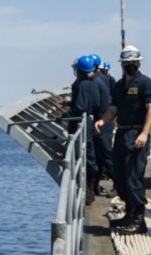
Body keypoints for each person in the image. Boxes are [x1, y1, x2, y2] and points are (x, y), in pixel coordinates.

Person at [94, 45, 151, 235]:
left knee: (133, 177)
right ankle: (130, 213)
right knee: (120, 176)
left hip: (136, 133)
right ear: (122, 64)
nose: (130, 65)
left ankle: (139, 220)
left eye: (133, 62)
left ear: (139, 63)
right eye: (126, 62)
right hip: (121, 133)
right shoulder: (120, 86)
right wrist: (101, 121)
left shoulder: (146, 83)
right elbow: (113, 109)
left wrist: (144, 134)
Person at [58, 55, 99, 205]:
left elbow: (80, 108)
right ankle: (90, 188)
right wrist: (69, 103)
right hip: (87, 120)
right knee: (88, 153)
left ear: (80, 70)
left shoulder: (81, 85)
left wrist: (63, 116)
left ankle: (87, 190)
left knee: (80, 154)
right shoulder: (90, 83)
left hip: (81, 123)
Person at [88, 53, 115, 196]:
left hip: (101, 123)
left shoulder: (95, 81)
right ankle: (95, 185)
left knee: (105, 155)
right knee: (99, 156)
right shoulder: (103, 79)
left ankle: (118, 185)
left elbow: (95, 103)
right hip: (105, 121)